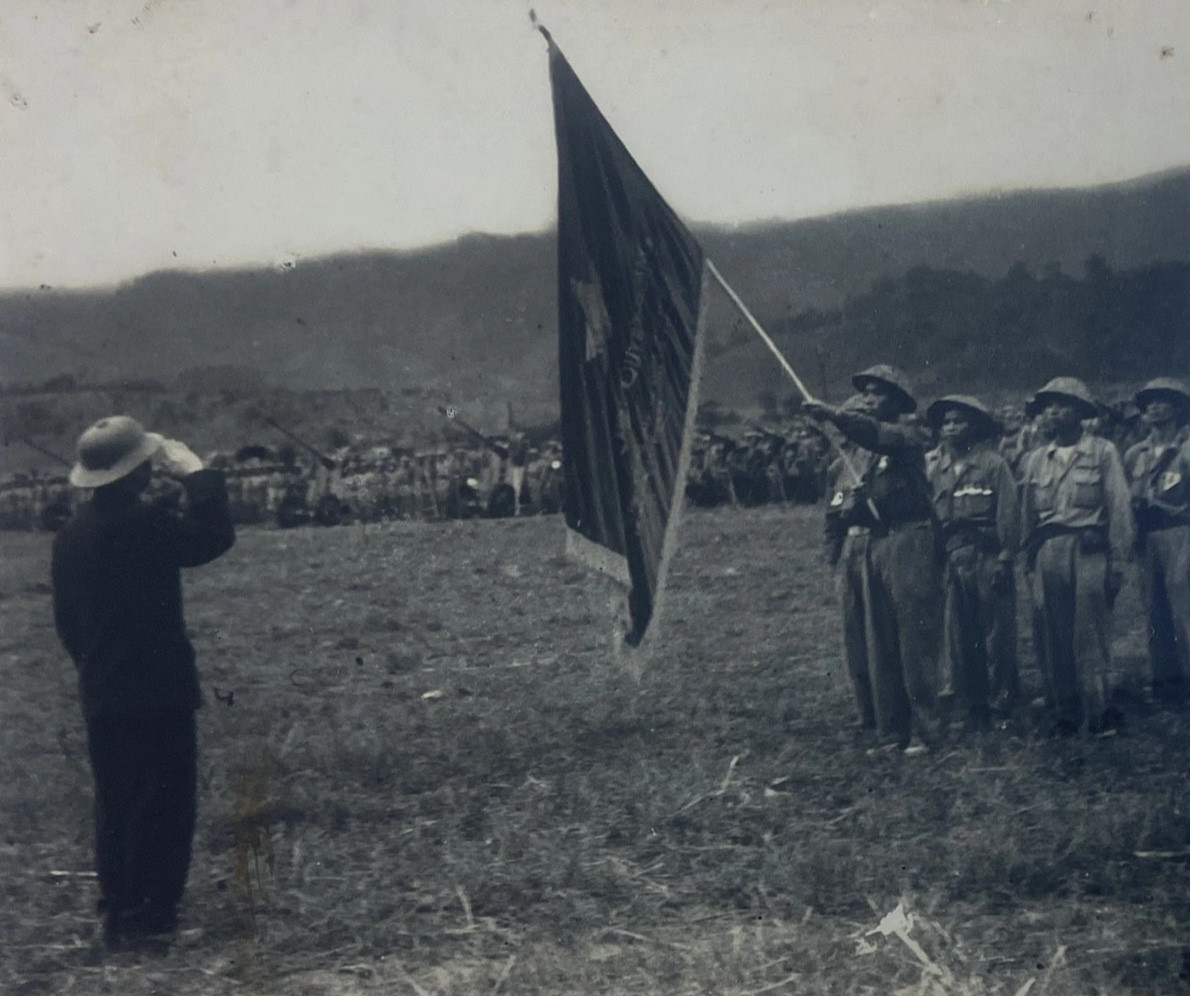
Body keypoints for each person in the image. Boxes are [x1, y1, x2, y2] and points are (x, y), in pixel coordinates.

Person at [51, 416, 235, 947]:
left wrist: (94, 668)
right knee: (165, 802)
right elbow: (212, 539)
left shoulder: (71, 535)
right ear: (136, 472)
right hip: (158, 689)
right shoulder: (146, 523)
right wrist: (198, 476)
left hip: (103, 689)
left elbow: (67, 624)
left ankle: (120, 912)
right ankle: (153, 922)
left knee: (116, 802)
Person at [805, 365, 943, 754]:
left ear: (898, 399)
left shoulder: (911, 432)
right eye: (864, 392)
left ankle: (925, 730)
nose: (868, 399)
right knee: (879, 638)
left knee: (913, 639)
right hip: (878, 541)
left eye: (877, 392)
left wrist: (834, 415)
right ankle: (891, 730)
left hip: (910, 538)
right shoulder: (862, 452)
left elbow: (881, 436)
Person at [1019, 378, 1134, 733]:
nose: (1054, 412)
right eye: (1049, 406)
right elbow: (1027, 515)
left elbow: (1119, 506)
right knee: (1051, 632)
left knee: (1089, 631)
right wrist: (1028, 561)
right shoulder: (1036, 458)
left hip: (1087, 547)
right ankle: (1064, 710)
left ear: (1082, 413)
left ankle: (1099, 710)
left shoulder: (1102, 452)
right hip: (1048, 549)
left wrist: (1117, 560)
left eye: (1063, 405)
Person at [926, 396, 1020, 729]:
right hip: (953, 557)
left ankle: (1002, 704)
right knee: (959, 636)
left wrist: (1006, 557)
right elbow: (931, 520)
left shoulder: (993, 465)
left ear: (974, 427)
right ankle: (971, 703)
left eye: (959, 421)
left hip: (987, 554)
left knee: (996, 634)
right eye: (946, 422)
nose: (951, 428)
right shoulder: (933, 468)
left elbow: (1008, 512)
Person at [1124, 378, 1190, 705]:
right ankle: (1165, 680)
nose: (1153, 407)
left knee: (1184, 608)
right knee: (1154, 609)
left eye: (1162, 401)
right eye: (1148, 402)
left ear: (1179, 408)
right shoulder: (1136, 454)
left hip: (1180, 532)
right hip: (1147, 537)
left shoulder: (1187, 449)